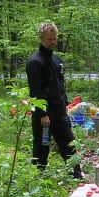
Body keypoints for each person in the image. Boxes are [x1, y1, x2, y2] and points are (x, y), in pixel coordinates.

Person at [25, 22, 83, 178]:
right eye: (49, 39)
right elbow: (36, 91)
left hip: (60, 112)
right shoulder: (35, 62)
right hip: (44, 116)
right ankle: (37, 178)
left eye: (55, 38)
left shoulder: (56, 60)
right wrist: (43, 114)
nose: (53, 42)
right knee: (42, 147)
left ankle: (76, 176)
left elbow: (60, 86)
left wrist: (65, 105)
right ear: (41, 39)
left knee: (69, 143)